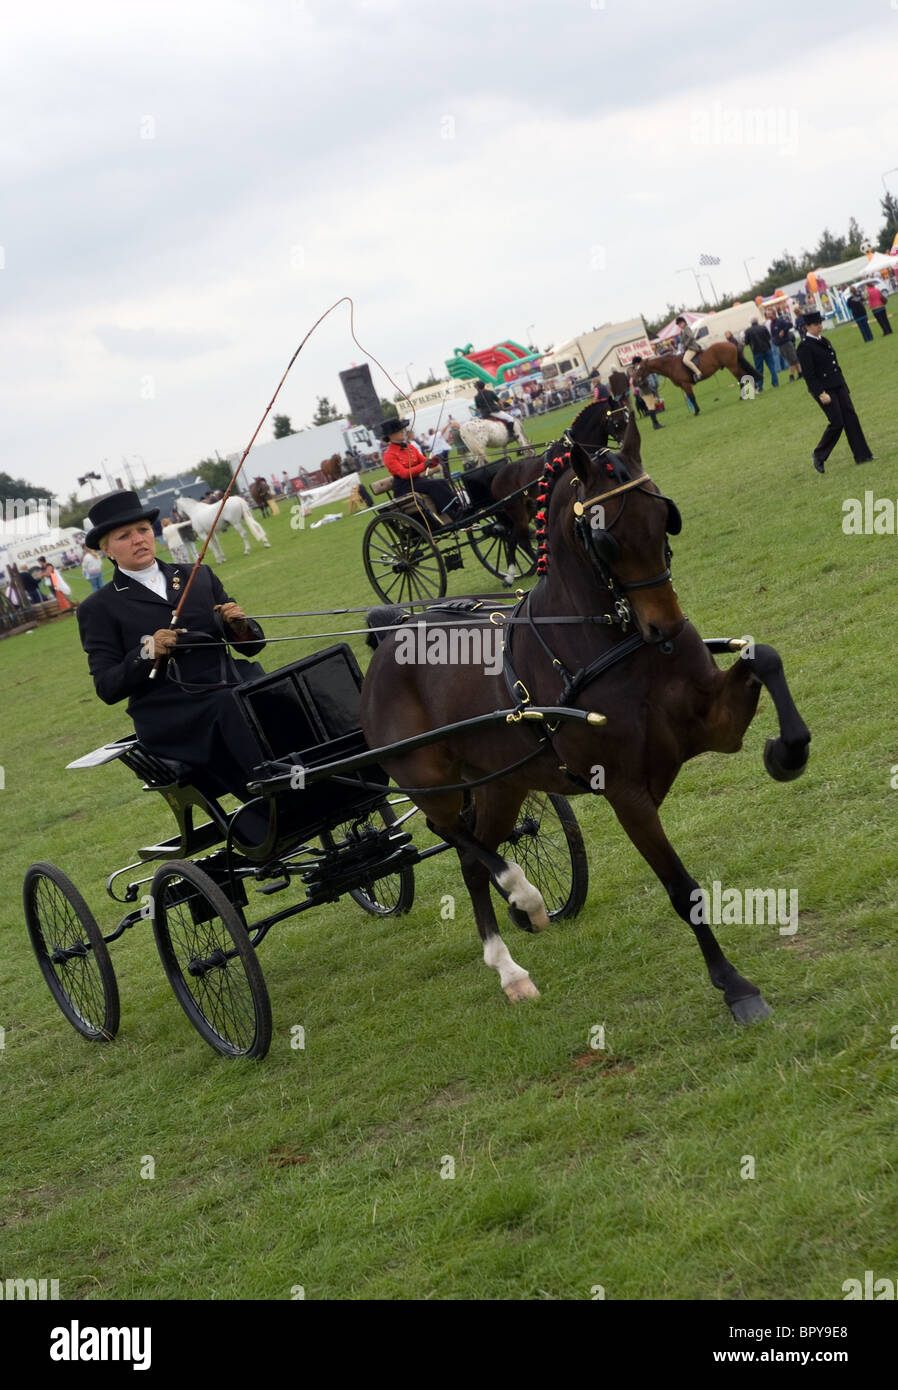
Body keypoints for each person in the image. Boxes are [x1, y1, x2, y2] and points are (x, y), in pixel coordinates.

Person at [76, 489, 269, 802]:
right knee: (230, 704)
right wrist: (146, 653)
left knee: (284, 685)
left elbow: (252, 647)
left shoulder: (198, 575)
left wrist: (239, 626)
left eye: (142, 530)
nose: (138, 539)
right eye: (124, 536)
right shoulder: (98, 608)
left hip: (230, 682)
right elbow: (106, 687)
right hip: (171, 711)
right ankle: (273, 792)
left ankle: (330, 771)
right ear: (106, 550)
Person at [796, 312, 874, 474]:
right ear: (807, 327)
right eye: (816, 324)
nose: (820, 326)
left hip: (838, 385)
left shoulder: (824, 341)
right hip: (825, 390)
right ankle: (819, 454)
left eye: (820, 323)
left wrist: (844, 386)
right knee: (837, 422)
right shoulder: (805, 347)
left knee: (851, 418)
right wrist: (820, 393)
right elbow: (809, 375)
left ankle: (863, 455)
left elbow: (835, 366)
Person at [379, 418, 458, 517]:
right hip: (404, 486)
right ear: (390, 435)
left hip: (417, 481)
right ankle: (451, 511)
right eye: (399, 431)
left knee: (442, 482)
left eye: (402, 429)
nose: (403, 432)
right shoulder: (389, 455)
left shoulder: (410, 447)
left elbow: (426, 462)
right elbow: (404, 474)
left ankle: (453, 509)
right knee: (435, 484)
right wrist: (424, 465)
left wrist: (435, 459)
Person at [743, 317, 779, 391]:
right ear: (757, 321)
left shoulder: (748, 331)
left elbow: (746, 342)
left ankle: (760, 386)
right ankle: (775, 383)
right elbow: (769, 338)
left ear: (750, 322)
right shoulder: (763, 327)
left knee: (759, 369)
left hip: (756, 351)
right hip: (767, 349)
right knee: (772, 366)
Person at [629, 358, 664, 430]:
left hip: (647, 390)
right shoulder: (636, 372)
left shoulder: (637, 371)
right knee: (651, 407)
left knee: (652, 406)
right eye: (640, 362)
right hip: (645, 391)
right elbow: (636, 383)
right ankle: (655, 424)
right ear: (636, 364)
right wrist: (644, 382)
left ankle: (656, 423)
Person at [767, 310, 801, 382]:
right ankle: (800, 373)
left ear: (773, 314)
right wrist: (773, 340)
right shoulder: (772, 324)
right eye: (767, 314)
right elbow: (773, 334)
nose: (767, 315)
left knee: (792, 359)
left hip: (786, 343)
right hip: (780, 345)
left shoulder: (780, 321)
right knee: (793, 359)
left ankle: (791, 376)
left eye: (769, 314)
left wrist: (783, 330)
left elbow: (790, 324)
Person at [675, 316, 704, 382]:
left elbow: (691, 337)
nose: (679, 325)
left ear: (684, 322)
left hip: (692, 347)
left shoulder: (686, 328)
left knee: (685, 360)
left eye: (680, 323)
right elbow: (682, 341)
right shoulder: (681, 331)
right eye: (678, 324)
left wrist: (686, 344)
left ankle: (698, 373)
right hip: (687, 348)